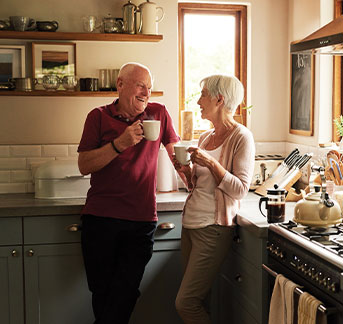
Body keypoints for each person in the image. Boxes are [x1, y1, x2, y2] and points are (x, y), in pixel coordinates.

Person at [78, 62, 180, 324]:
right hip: (100, 219)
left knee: (125, 291)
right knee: (102, 292)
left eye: (149, 87)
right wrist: (120, 144)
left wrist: (195, 177)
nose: (146, 92)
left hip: (141, 220)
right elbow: (84, 165)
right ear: (120, 85)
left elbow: (176, 154)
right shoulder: (98, 117)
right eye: (140, 85)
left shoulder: (158, 113)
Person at [174, 74, 255, 324]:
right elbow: (198, 187)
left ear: (219, 99)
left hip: (213, 229)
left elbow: (240, 189)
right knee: (200, 301)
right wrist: (186, 172)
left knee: (185, 303)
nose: (199, 101)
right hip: (190, 226)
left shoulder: (242, 137)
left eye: (203, 95)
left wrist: (210, 163)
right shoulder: (205, 138)